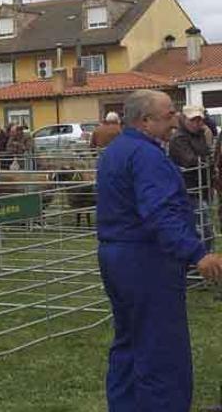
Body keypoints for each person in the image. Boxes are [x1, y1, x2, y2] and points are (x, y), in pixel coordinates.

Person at [97, 90, 222, 412]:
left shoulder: (116, 151)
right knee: (161, 348)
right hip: (145, 260)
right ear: (145, 120)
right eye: (168, 115)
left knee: (129, 341)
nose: (175, 119)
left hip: (116, 256)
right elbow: (160, 213)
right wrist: (197, 253)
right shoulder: (147, 157)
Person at [169, 106, 214, 251]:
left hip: (202, 185)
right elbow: (189, 160)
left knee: (202, 225)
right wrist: (207, 161)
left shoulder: (200, 135)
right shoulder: (179, 138)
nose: (197, 123)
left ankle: (201, 259)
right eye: (193, 120)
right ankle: (201, 259)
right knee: (202, 226)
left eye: (199, 119)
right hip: (188, 188)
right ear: (184, 120)